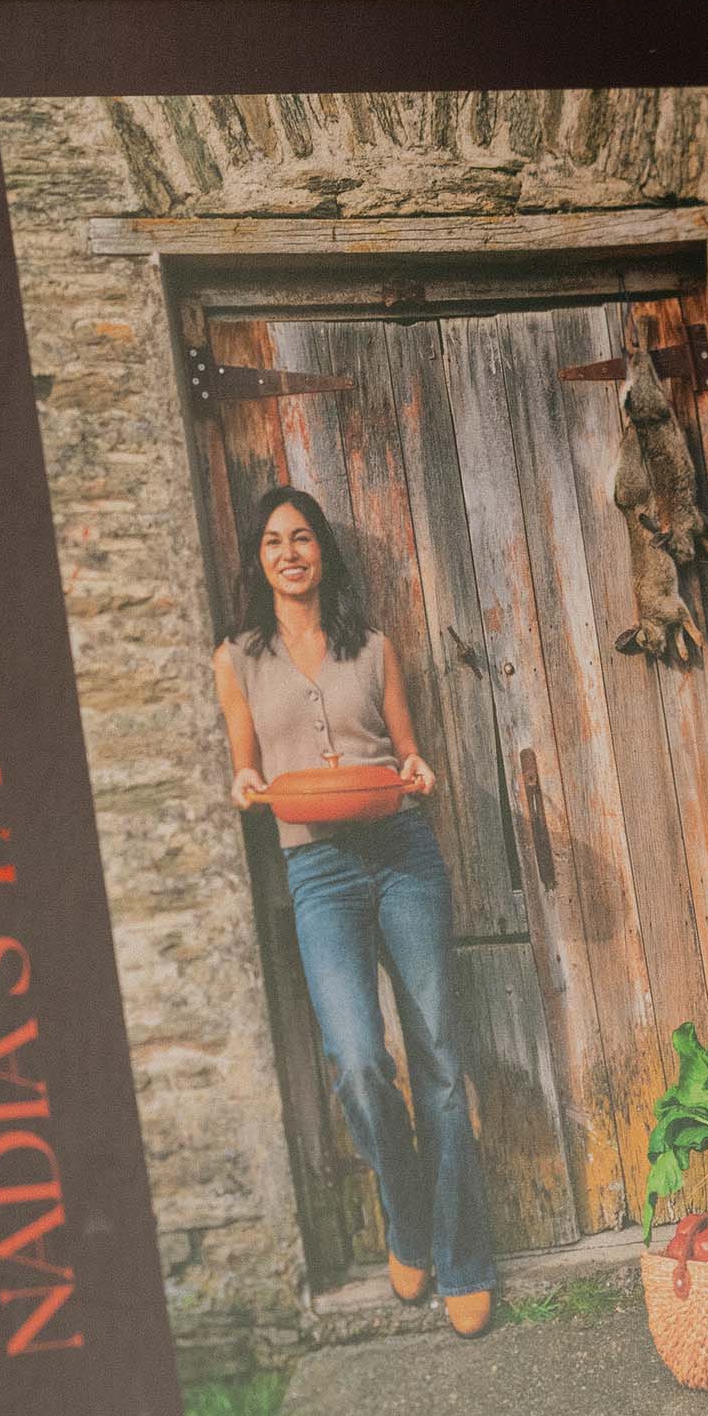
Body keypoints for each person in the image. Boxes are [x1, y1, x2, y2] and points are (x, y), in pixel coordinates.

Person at [214, 482, 496, 1338]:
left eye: (302, 538)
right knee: (359, 1061)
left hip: (402, 854)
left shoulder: (372, 647)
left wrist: (419, 772)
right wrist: (245, 787)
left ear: (323, 552)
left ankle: (464, 1260)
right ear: (257, 560)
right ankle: (406, 1216)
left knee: (441, 1061)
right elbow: (246, 768)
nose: (289, 552)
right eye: (273, 541)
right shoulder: (236, 659)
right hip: (317, 872)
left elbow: (408, 752)